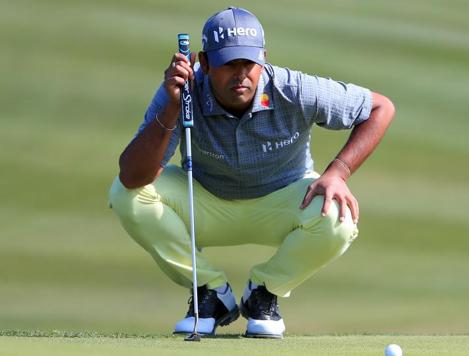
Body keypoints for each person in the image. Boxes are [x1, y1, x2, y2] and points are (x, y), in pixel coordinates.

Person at [108, 6, 395, 339]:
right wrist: (173, 108)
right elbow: (132, 176)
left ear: (264, 59)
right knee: (125, 194)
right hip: (205, 201)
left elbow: (379, 107)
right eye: (229, 64)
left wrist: (338, 172)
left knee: (338, 216)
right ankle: (210, 292)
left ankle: (264, 292)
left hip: (283, 203)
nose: (240, 74)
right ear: (204, 63)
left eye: (249, 63)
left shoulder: (294, 88)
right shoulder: (183, 91)